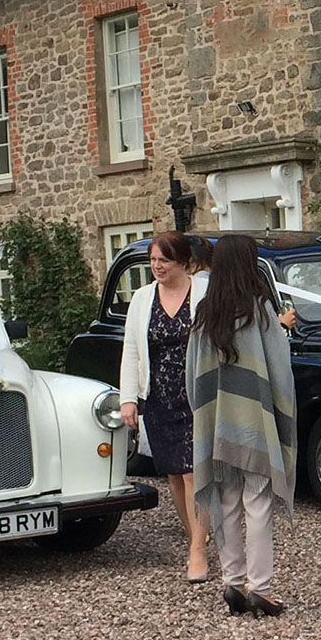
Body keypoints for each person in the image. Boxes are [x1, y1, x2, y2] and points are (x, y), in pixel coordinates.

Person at [186, 234, 297, 617]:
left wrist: (204, 416)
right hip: (255, 425)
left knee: (227, 502)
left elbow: (191, 378)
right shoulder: (261, 312)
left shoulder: (204, 313)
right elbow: (280, 372)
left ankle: (232, 583)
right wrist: (283, 415)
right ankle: (260, 589)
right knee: (259, 502)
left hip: (216, 425)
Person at [120, 231, 210, 582]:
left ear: (183, 263)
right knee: (174, 474)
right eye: (153, 260)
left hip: (196, 395)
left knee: (194, 473)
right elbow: (130, 350)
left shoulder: (203, 293)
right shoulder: (142, 299)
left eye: (164, 261)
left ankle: (198, 550)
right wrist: (129, 398)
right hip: (158, 397)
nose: (156, 266)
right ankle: (195, 537)